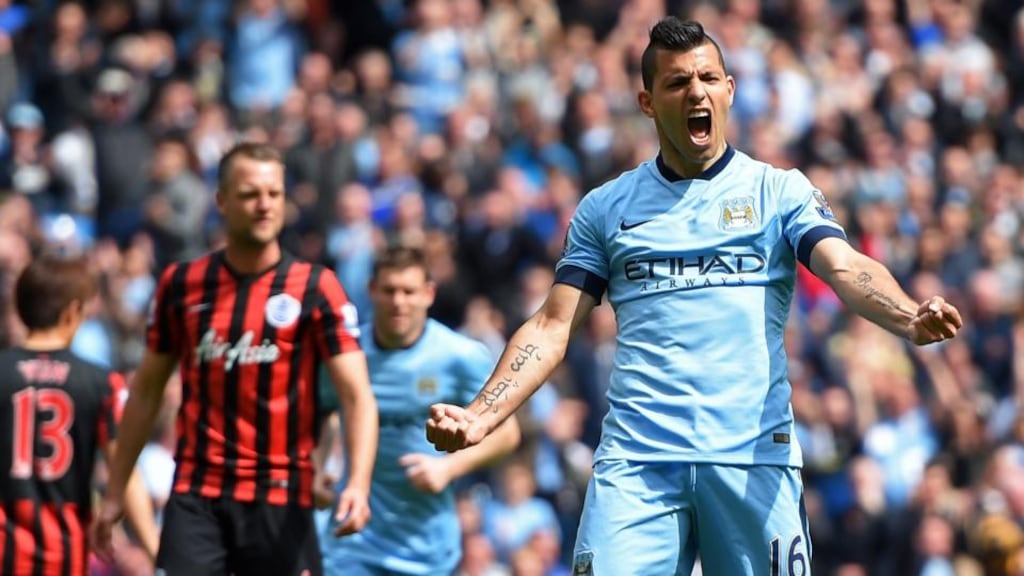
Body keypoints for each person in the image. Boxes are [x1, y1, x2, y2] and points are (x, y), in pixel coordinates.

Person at [425, 17, 964, 576]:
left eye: (708, 77)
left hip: (753, 457)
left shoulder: (778, 191)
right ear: (648, 102)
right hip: (638, 463)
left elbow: (845, 267)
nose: (696, 92)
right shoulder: (606, 208)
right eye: (678, 83)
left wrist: (908, 316)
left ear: (729, 89)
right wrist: (481, 415)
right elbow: (551, 326)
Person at [92, 141, 380, 576]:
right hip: (197, 495)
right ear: (222, 201)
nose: (265, 205)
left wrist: (357, 482)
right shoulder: (182, 285)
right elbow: (147, 391)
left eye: (274, 193)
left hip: (281, 496)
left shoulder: (317, 288)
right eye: (250, 194)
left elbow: (356, 395)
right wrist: (115, 491)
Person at [319, 246, 520, 575]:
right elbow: (324, 410)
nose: (399, 302)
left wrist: (448, 469)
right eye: (389, 291)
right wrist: (320, 467)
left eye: (408, 291)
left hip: (425, 546)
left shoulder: (459, 356)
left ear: (428, 293)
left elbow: (508, 434)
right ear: (372, 291)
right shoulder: (349, 353)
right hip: (352, 538)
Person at [0, 253, 159, 575]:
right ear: (73, 312)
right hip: (64, 554)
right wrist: (156, 551)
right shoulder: (101, 383)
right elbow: (124, 471)